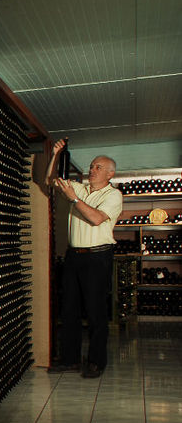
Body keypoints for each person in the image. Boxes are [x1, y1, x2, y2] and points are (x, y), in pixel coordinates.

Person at [46, 139, 123, 378]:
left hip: (97, 258)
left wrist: (74, 199)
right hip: (74, 257)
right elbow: (50, 180)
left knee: (95, 311)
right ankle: (70, 360)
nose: (92, 169)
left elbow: (97, 219)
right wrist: (56, 155)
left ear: (110, 173)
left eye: (98, 167)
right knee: (69, 310)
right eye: (91, 166)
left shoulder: (114, 195)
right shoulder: (80, 188)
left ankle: (96, 362)